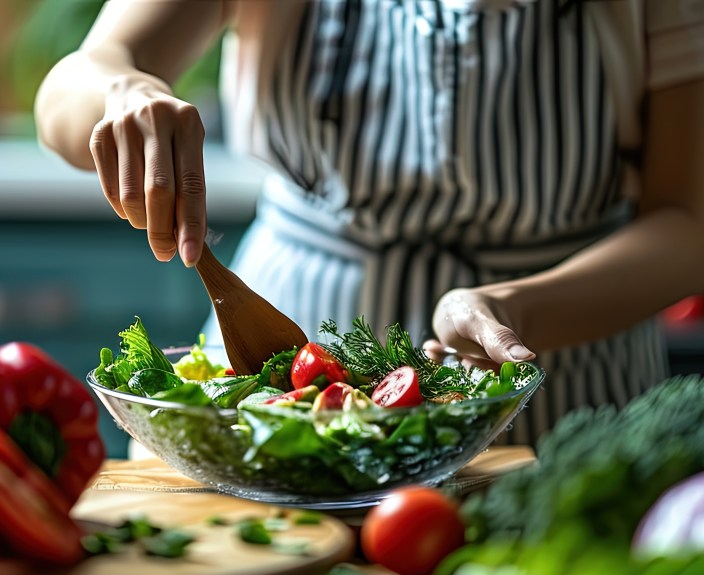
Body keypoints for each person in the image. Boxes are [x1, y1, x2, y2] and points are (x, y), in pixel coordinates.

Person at [35, 0, 704, 446]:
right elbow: (69, 89)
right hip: (278, 385)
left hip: (563, 391)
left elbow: (687, 221)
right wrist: (121, 91)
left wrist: (512, 307)